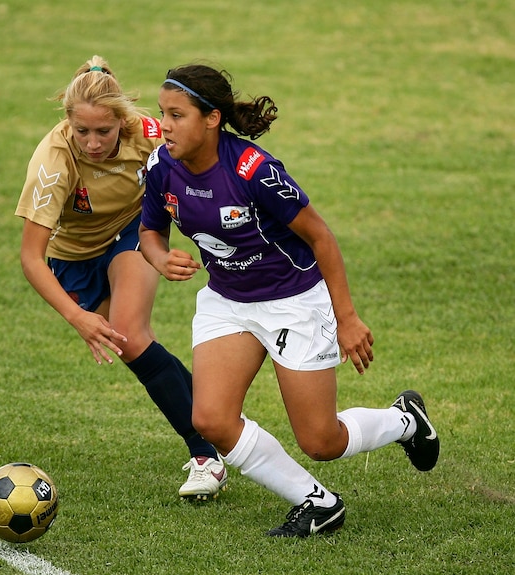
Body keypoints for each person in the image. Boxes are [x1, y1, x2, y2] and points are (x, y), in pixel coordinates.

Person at [138, 62, 440, 536]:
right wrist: (158, 258)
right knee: (211, 418)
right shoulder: (161, 167)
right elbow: (150, 231)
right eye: (162, 114)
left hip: (294, 301)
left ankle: (405, 421)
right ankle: (316, 501)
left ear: (212, 118)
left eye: (177, 115)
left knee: (321, 440)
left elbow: (321, 238)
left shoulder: (253, 171)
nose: (164, 126)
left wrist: (348, 318)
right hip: (227, 301)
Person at [15, 56, 226, 500]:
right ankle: (220, 421)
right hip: (72, 257)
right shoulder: (52, 163)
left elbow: (195, 158)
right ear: (67, 122)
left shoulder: (146, 132)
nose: (93, 143)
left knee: (129, 335)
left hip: (132, 230)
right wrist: (77, 317)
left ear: (123, 121)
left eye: (104, 132)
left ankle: (206, 453)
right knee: (131, 349)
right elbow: (31, 257)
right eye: (82, 131)